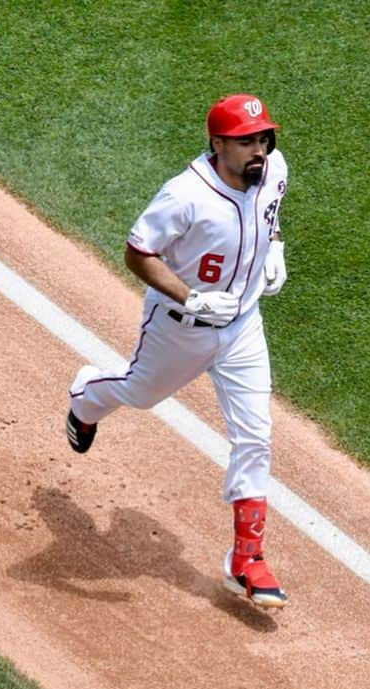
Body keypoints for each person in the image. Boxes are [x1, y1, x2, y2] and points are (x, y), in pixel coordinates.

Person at [66, 93, 290, 609]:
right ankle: (85, 397)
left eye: (263, 137)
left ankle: (246, 561)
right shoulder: (185, 195)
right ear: (217, 145)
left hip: (242, 330)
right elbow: (137, 252)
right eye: (246, 141)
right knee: (140, 394)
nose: (259, 149)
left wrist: (274, 246)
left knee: (255, 435)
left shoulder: (274, 169)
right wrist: (190, 296)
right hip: (179, 327)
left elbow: (270, 211)